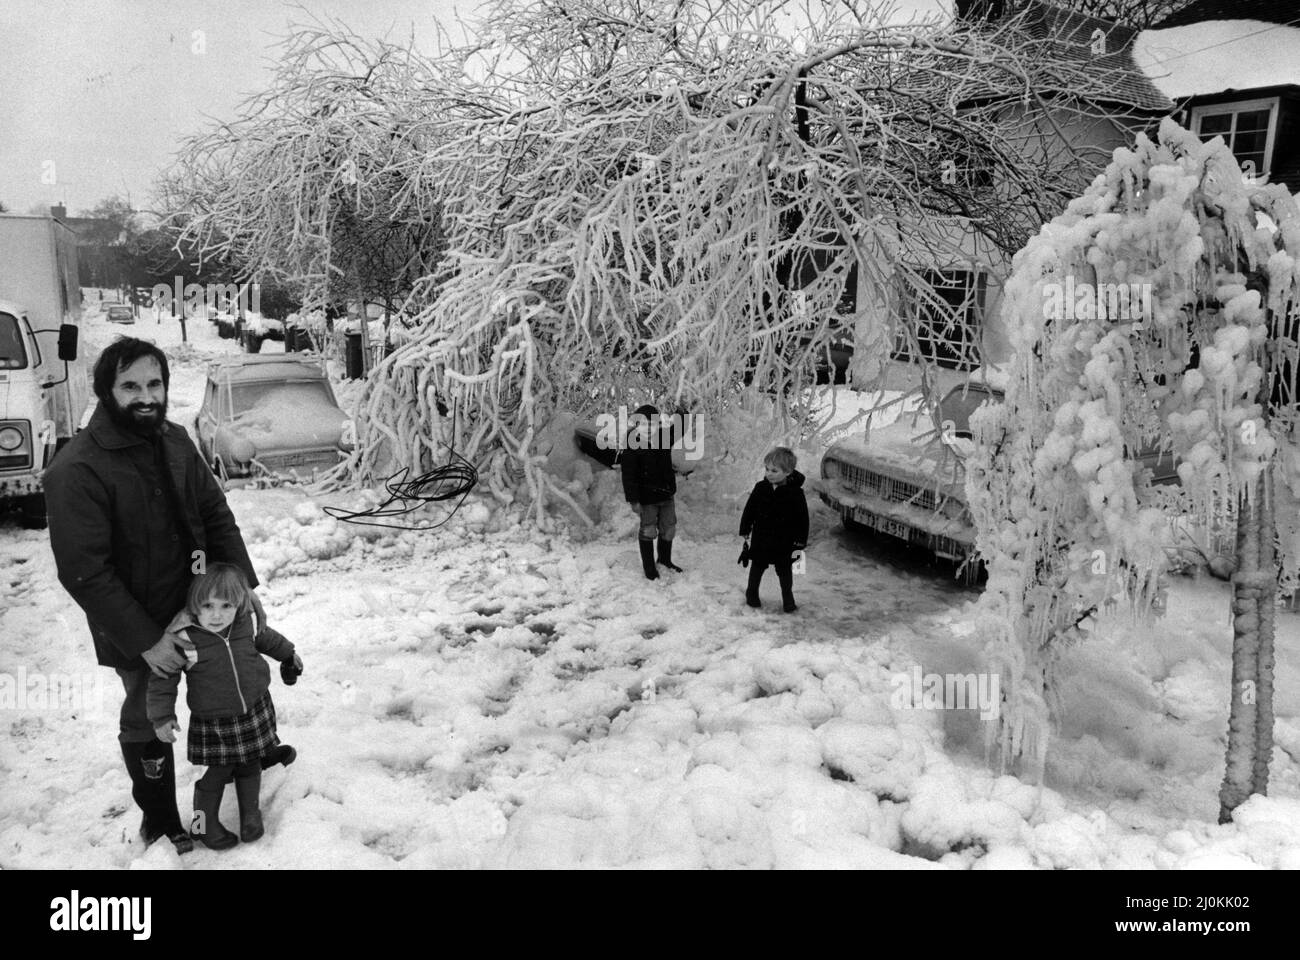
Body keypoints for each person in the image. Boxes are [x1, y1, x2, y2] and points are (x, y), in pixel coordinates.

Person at [44, 337, 282, 856]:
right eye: (130, 386)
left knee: (226, 683)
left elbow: (216, 517)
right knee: (149, 715)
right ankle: (160, 818)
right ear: (105, 391)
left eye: (155, 384)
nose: (145, 396)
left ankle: (240, 763)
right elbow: (84, 572)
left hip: (202, 608)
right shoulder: (77, 468)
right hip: (138, 622)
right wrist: (147, 640)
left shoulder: (175, 441)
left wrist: (239, 589)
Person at [149, 563, 301, 850]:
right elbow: (163, 677)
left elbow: (267, 639)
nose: (217, 615)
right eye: (207, 606)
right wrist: (162, 716)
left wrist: (289, 654)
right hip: (215, 719)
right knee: (219, 771)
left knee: (251, 761)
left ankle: (250, 816)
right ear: (195, 605)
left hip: (254, 707)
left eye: (226, 605)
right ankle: (203, 825)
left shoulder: (246, 621)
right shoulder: (184, 638)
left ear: (239, 603)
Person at [739, 446, 809, 612]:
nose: (769, 473)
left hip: (784, 540)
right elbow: (750, 509)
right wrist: (745, 528)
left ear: (788, 472)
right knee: (757, 566)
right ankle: (752, 593)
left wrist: (800, 541)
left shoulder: (796, 493)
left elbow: (802, 519)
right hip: (761, 537)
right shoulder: (761, 488)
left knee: (784, 570)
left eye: (774, 471)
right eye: (767, 469)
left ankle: (788, 597)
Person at [621, 404, 684, 580]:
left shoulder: (663, 437)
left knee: (669, 529)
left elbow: (679, 429)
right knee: (648, 531)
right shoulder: (632, 444)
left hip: (666, 495)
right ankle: (649, 568)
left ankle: (664, 560)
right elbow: (628, 475)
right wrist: (633, 500)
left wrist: (682, 409)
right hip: (647, 498)